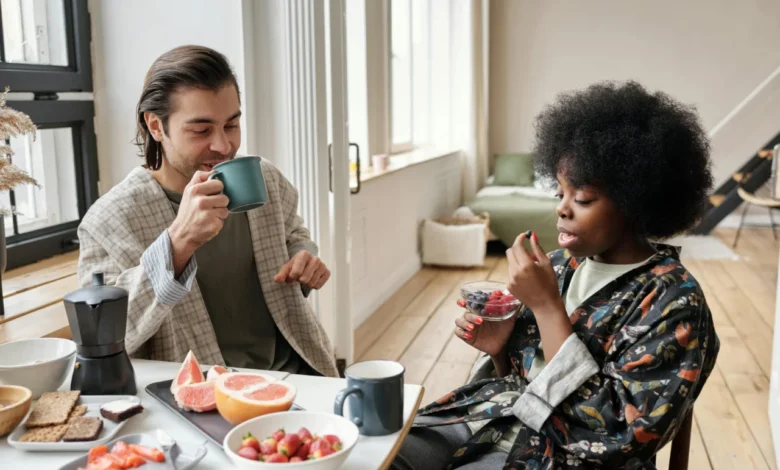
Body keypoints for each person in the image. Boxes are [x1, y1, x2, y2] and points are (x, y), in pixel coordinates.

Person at [393, 81, 720, 469]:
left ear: (636, 201)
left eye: (581, 199)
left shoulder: (674, 302)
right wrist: (500, 350)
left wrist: (548, 308)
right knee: (380, 455)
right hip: (495, 420)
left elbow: (622, 434)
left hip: (564, 457)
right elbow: (524, 380)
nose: (562, 210)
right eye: (559, 195)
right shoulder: (561, 266)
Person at [77, 45, 338, 377]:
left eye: (231, 125)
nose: (223, 146)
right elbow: (100, 336)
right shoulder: (109, 220)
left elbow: (293, 235)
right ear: (156, 126)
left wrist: (304, 258)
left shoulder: (265, 179)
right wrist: (178, 243)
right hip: (198, 398)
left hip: (301, 374)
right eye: (201, 130)